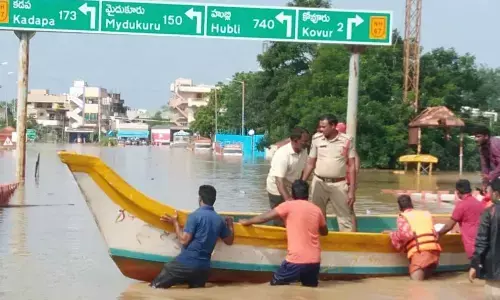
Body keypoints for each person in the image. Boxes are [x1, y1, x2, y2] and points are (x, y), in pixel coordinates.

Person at [239, 180, 328, 287]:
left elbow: (265, 217)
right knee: (309, 290)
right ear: (307, 194)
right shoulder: (316, 209)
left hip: (295, 260)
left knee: (274, 286)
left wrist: (247, 222)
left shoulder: (288, 206)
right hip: (314, 261)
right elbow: (324, 232)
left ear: (293, 194)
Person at [150, 185, 235, 289]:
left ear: (200, 199)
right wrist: (230, 225)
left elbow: (183, 240)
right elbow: (229, 241)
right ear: (214, 200)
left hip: (185, 263)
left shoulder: (194, 216)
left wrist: (175, 222)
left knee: (154, 288)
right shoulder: (220, 220)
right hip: (203, 269)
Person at [301, 114, 357, 232]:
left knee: (345, 218)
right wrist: (301, 182)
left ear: (333, 126)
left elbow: (352, 166)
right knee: (317, 215)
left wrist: (351, 190)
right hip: (319, 182)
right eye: (320, 126)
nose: (321, 129)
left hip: (339, 184)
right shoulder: (316, 139)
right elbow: (310, 163)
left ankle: (348, 246)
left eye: (323, 127)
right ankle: (321, 242)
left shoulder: (347, 140)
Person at [385, 194, 442, 280]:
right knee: (428, 282)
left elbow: (405, 235)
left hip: (420, 252)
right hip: (435, 252)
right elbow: (434, 233)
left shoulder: (403, 217)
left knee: (416, 287)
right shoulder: (426, 214)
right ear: (411, 204)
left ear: (399, 207)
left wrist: (392, 234)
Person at [266, 127, 310, 226]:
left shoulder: (303, 150)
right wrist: (289, 200)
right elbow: (279, 181)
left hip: (292, 186)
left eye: (308, 141)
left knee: (296, 215)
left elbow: (303, 169)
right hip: (277, 189)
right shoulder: (282, 155)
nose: (307, 143)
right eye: (305, 141)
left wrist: (300, 187)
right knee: (280, 217)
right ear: (295, 141)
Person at [437, 179, 484, 260]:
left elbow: (448, 226)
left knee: (475, 269)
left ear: (457, 192)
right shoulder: (479, 203)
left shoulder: (461, 205)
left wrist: (437, 235)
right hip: (483, 243)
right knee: (479, 269)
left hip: (472, 245)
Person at [469, 178, 500, 298]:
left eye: (490, 192)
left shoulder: (489, 212)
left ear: (496, 193)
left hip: (495, 273)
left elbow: (482, 241)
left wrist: (474, 265)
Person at [474, 126, 500, 191]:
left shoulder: (494, 144)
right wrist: (485, 182)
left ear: (486, 136)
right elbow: (485, 166)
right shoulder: (482, 148)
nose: (476, 139)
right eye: (475, 136)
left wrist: (491, 176)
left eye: (478, 136)